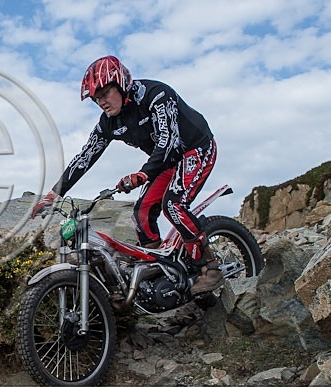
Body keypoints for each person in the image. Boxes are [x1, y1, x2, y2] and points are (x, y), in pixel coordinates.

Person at [31, 55, 224, 295]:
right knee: (141, 213)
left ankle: (210, 268)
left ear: (121, 84)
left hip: (195, 148)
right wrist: (54, 193)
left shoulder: (157, 95)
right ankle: (159, 269)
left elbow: (168, 140)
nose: (100, 102)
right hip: (164, 162)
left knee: (173, 206)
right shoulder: (108, 123)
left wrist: (142, 175)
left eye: (104, 93)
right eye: (95, 98)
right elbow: (85, 156)